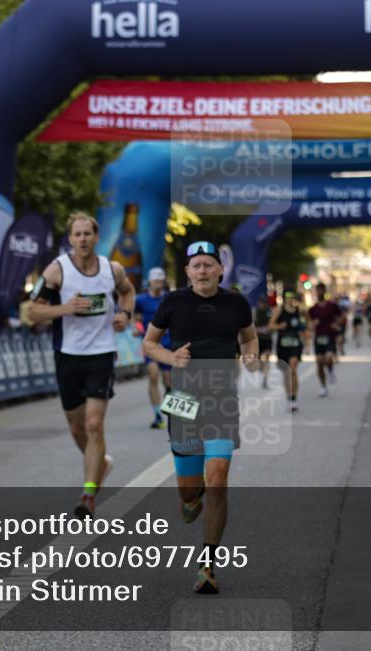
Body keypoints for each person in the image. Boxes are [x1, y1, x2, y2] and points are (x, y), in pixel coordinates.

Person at [142, 241, 259, 595]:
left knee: (219, 480)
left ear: (220, 270)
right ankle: (191, 500)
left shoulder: (236, 302)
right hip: (183, 400)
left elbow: (250, 338)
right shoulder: (173, 302)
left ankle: (208, 565)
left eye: (209, 265)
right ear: (188, 272)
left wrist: (251, 356)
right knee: (191, 490)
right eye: (197, 266)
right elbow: (148, 343)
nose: (203, 271)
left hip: (222, 400)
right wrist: (169, 356)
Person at [26, 211, 135, 520]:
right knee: (76, 427)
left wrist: (125, 316)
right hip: (68, 355)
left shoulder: (111, 270)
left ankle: (88, 494)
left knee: (93, 424)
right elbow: (33, 311)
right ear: (70, 238)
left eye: (88, 234)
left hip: (101, 354)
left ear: (96, 237)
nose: (83, 239)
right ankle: (102, 464)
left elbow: (127, 292)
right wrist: (65, 308)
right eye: (77, 234)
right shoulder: (56, 271)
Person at [134, 267, 173, 429]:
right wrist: (139, 329)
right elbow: (136, 319)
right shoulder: (141, 300)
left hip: (168, 345)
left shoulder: (169, 299)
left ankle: (170, 397)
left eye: (160, 281)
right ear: (149, 282)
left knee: (169, 381)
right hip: (150, 345)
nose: (158, 284)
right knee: (153, 376)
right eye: (155, 281)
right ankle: (157, 415)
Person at [269, 288, 307, 412]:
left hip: (295, 343)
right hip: (282, 344)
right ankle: (289, 398)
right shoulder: (278, 310)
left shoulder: (299, 310)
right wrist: (279, 326)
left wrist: (306, 333)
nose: (290, 298)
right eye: (288, 295)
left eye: (292, 295)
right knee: (286, 372)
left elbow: (306, 323)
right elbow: (270, 325)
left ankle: (294, 398)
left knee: (293, 368)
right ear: (284, 297)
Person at [308, 282, 342, 397]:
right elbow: (309, 323)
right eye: (317, 290)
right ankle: (323, 387)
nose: (319, 293)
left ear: (324, 291)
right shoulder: (313, 309)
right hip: (318, 337)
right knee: (319, 363)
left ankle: (331, 370)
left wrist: (336, 324)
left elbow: (342, 316)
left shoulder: (331, 305)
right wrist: (313, 324)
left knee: (328, 359)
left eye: (321, 290)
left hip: (329, 336)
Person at [253, 295, 274, 389]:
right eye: (260, 302)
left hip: (267, 338)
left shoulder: (270, 312)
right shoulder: (255, 312)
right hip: (258, 339)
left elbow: (273, 325)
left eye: (263, 302)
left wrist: (269, 329)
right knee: (259, 359)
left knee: (267, 357)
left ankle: (265, 380)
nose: (261, 304)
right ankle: (261, 366)